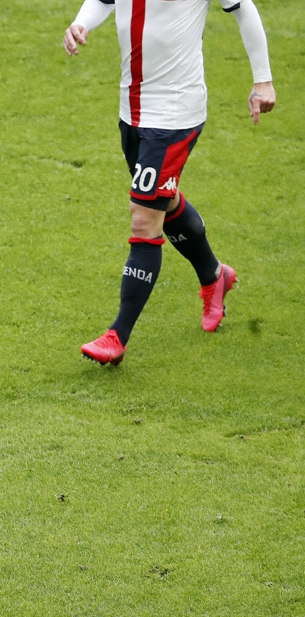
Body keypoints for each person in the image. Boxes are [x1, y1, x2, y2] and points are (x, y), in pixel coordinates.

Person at [64, 0, 276, 365]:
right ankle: (214, 275)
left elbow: (244, 8)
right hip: (131, 108)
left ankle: (117, 336)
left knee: (144, 217)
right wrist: (81, 24)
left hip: (175, 113)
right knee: (163, 199)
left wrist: (263, 80)